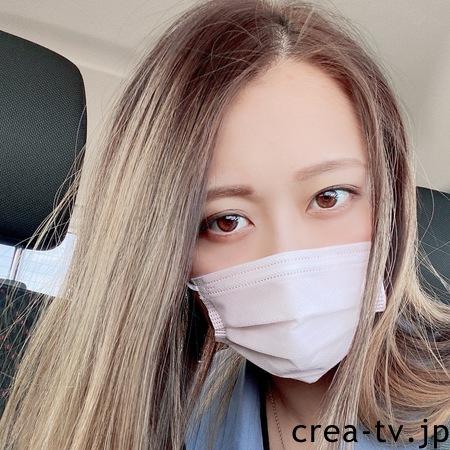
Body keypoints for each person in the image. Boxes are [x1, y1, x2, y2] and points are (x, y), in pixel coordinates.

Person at [1, 0, 450, 449]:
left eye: (329, 197)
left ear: (390, 204)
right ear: (174, 255)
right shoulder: (170, 418)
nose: (288, 260)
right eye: (226, 221)